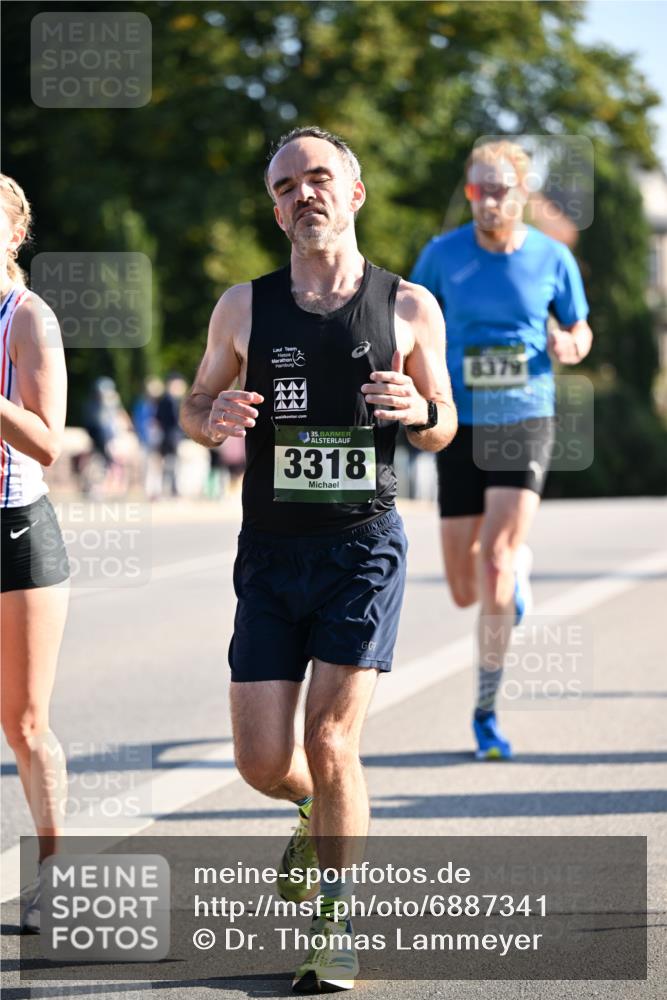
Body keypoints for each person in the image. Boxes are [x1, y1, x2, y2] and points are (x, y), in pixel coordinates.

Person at [181, 126, 457, 992]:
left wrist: (418, 407)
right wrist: (212, 413)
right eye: (286, 185)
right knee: (264, 761)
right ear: (273, 207)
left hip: (359, 548)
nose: (305, 193)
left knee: (331, 739)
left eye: (320, 178)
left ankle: (333, 927)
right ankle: (309, 810)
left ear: (355, 192)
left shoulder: (408, 305)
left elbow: (445, 422)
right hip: (268, 550)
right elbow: (195, 399)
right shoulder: (243, 306)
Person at [411, 140, 593, 760]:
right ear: (468, 193)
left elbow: (578, 325)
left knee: (495, 557)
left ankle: (485, 712)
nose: (488, 199)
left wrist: (572, 344)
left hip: (523, 412)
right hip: (456, 420)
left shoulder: (552, 257)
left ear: (521, 193)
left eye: (499, 189)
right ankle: (513, 583)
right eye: (477, 189)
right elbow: (410, 324)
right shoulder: (440, 256)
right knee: (465, 587)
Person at [0, 173, 70, 931]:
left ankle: (55, 869)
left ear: (13, 235)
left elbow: (49, 442)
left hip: (14, 528)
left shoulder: (29, 318)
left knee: (22, 722)